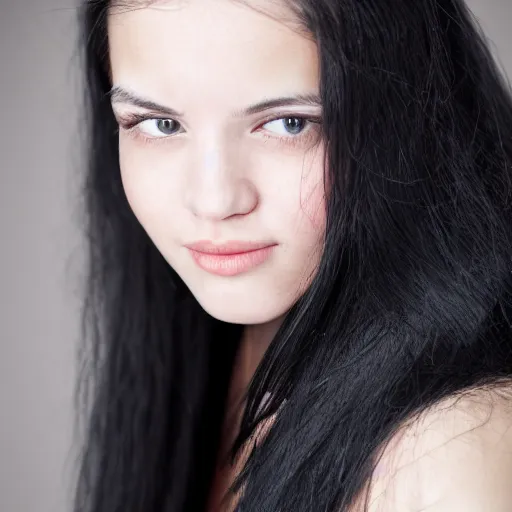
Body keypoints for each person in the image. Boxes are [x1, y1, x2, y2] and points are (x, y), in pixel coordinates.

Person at [73, 0, 512, 510]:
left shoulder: (451, 452)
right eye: (160, 125)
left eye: (288, 124)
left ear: (409, 117)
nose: (214, 201)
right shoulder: (207, 363)